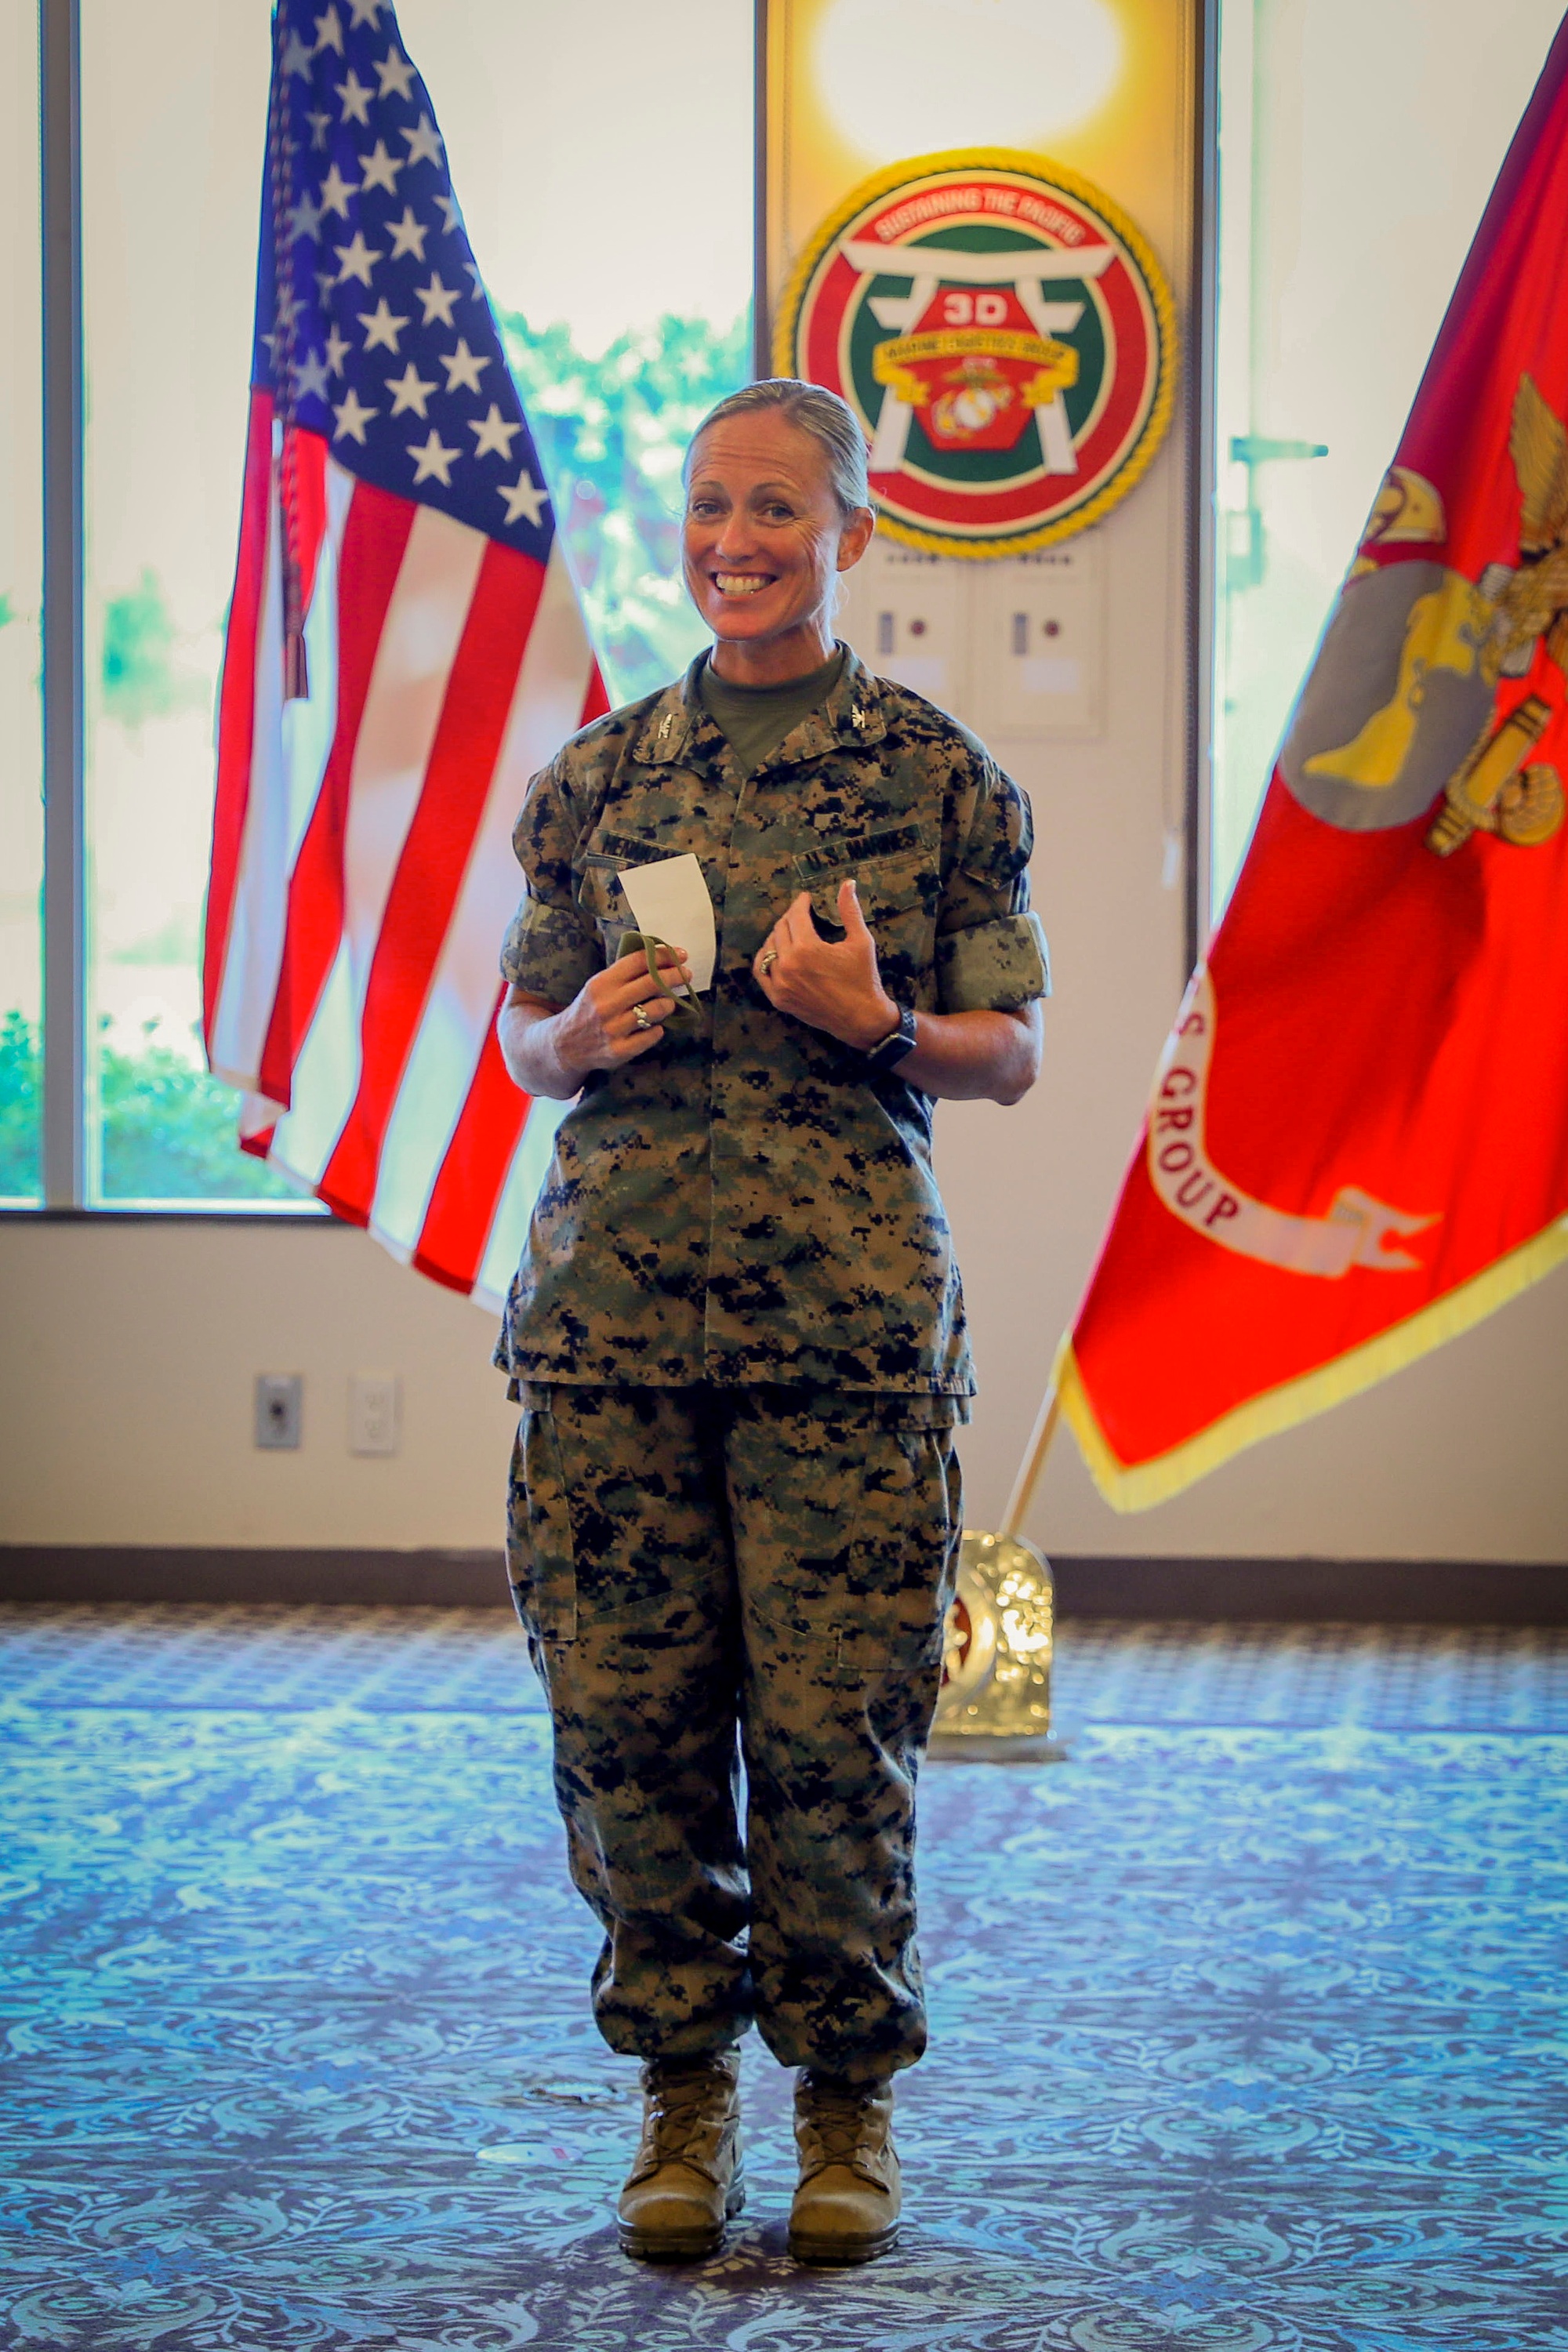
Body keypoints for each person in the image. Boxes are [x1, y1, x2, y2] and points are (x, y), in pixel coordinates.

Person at [494, 377, 1048, 2268]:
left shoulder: (938, 777)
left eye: (779, 513)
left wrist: (874, 1026)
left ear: (850, 535)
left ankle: (842, 2112)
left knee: (836, 1746)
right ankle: (677, 2101)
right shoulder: (591, 783)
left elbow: (1012, 1052)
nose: (738, 542)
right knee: (631, 1740)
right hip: (609, 1340)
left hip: (845, 1341)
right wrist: (572, 1043)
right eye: (711, 509)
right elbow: (519, 1030)